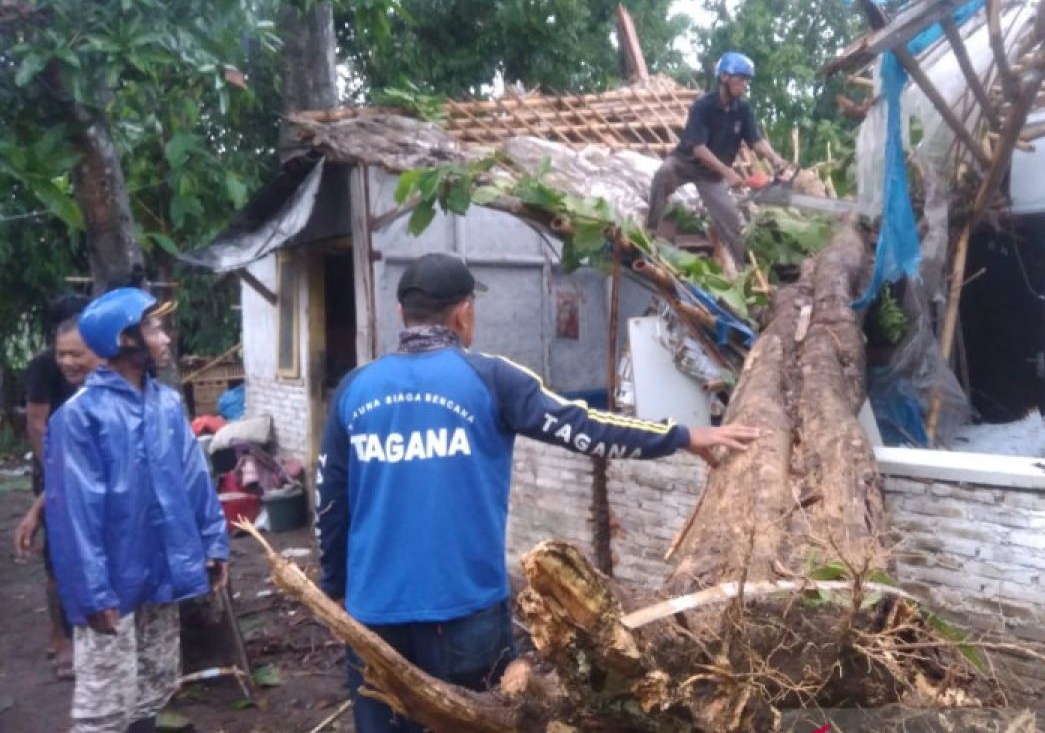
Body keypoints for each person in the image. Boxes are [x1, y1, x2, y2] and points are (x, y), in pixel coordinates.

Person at [316, 253, 760, 733]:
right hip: (466, 614)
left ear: (403, 314)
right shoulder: (489, 379)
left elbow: (330, 502)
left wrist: (336, 588)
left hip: (374, 615)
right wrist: (682, 436)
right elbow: (583, 426)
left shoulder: (355, 389)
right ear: (464, 312)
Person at [44, 288, 230, 733]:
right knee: (104, 702)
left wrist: (212, 542)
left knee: (152, 684)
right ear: (123, 340)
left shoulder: (165, 403)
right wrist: (92, 593)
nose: (164, 337)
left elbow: (194, 479)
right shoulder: (80, 417)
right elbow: (74, 516)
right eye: (152, 328)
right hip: (111, 578)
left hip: (162, 568)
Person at [646, 51, 790, 266]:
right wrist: (728, 173)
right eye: (740, 79)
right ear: (724, 77)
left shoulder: (743, 110)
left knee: (730, 221)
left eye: (746, 81)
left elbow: (756, 141)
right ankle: (649, 235)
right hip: (685, 163)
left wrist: (776, 159)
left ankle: (742, 270)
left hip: (711, 176)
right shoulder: (703, 106)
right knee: (663, 175)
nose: (744, 85)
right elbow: (699, 149)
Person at [13, 293, 91, 679]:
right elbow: (36, 424)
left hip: (83, 464)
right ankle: (60, 638)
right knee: (56, 556)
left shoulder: (101, 370)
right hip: (54, 464)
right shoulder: (44, 368)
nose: (70, 359)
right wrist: (57, 472)